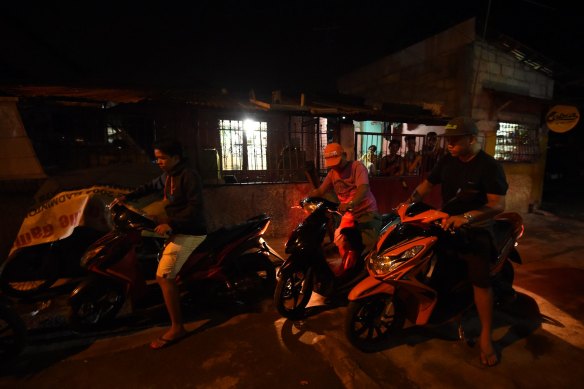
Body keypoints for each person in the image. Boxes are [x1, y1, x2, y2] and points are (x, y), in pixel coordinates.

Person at [406, 117, 508, 367]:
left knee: (480, 280)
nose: (449, 144)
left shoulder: (488, 166)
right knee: (425, 258)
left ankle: (485, 335)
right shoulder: (447, 161)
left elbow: (498, 204)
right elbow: (427, 185)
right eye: (448, 140)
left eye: (455, 140)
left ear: (472, 139)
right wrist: (408, 202)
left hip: (477, 229)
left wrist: (467, 217)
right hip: (446, 221)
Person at [114, 138, 207, 350]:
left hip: (190, 231)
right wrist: (126, 197)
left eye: (162, 158)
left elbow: (195, 209)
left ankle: (177, 327)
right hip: (175, 228)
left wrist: (171, 223)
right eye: (157, 159)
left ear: (176, 157)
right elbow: (149, 186)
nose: (159, 162)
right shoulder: (168, 176)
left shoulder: (188, 176)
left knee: (163, 277)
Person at [308, 142, 382, 305]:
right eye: (332, 165)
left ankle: (371, 283)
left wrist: (351, 203)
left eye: (338, 163)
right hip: (348, 215)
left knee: (368, 248)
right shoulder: (333, 173)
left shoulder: (357, 167)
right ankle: (348, 277)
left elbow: (363, 188)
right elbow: (321, 191)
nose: (337, 168)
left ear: (344, 156)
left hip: (367, 214)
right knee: (340, 242)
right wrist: (308, 198)